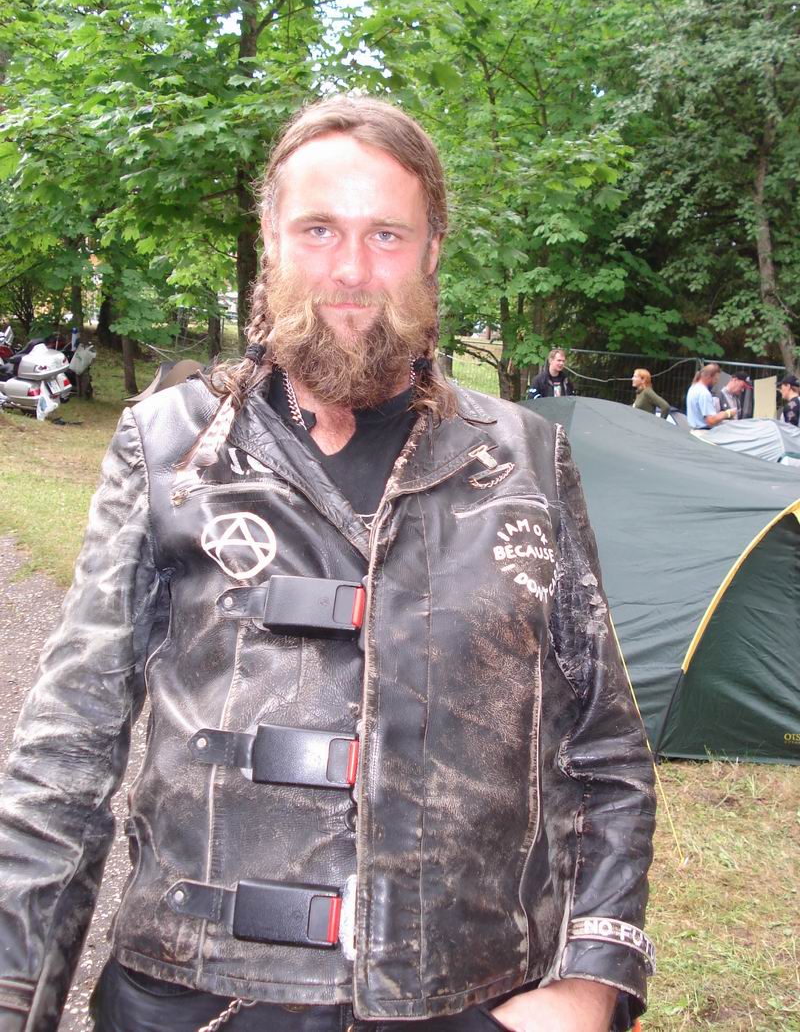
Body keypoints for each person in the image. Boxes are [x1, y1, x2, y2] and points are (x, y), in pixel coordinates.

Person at [0, 96, 655, 1032]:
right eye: (318, 229)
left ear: (432, 252)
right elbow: (67, 749)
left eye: (387, 234)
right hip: (199, 998)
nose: (351, 269)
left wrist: (592, 984)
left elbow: (606, 751)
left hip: (463, 1002)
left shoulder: (525, 461)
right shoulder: (170, 449)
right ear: (271, 241)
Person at [686, 364, 736, 429]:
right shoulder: (704, 393)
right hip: (702, 432)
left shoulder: (693, 387)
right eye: (715, 379)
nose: (716, 382)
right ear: (709, 377)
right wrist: (728, 413)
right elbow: (711, 421)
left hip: (693, 430)